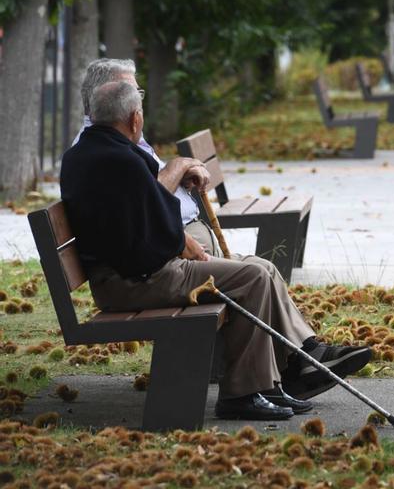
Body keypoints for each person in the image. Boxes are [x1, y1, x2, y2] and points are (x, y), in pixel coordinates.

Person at [61, 80, 372, 421]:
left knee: (261, 269)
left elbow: (132, 224)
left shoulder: (84, 154)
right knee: (252, 278)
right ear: (135, 119)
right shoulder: (121, 159)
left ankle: (280, 377)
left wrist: (178, 242)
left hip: (125, 276)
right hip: (135, 282)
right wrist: (182, 244)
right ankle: (244, 393)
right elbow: (151, 226)